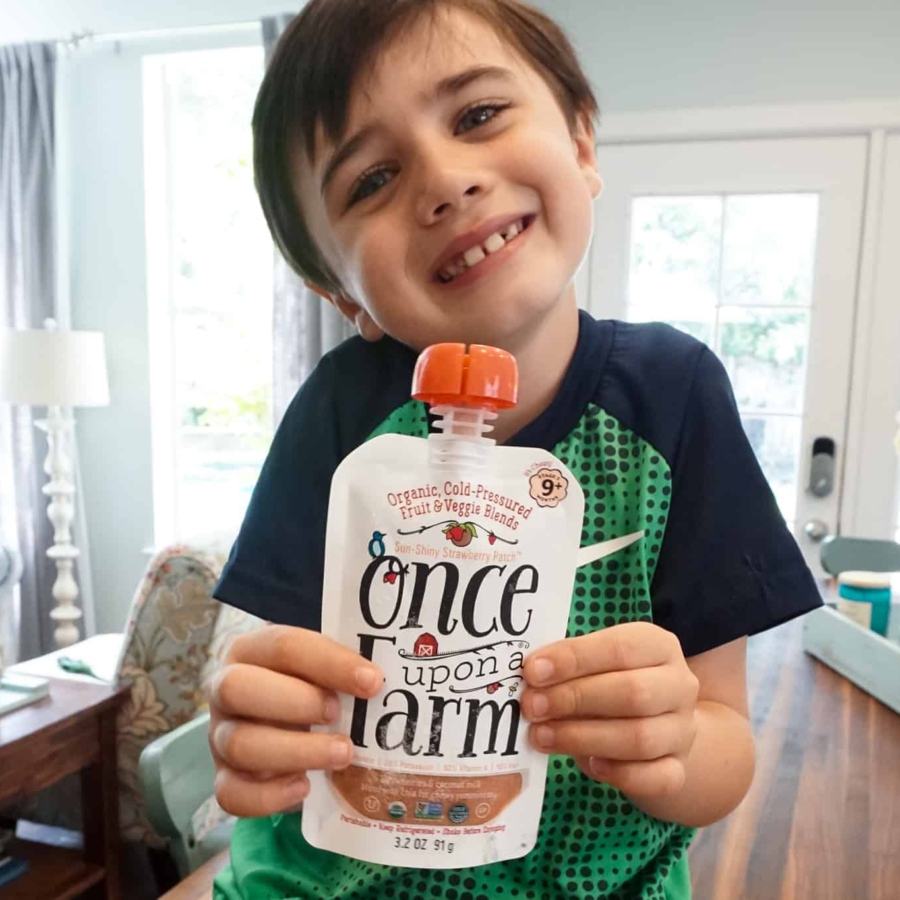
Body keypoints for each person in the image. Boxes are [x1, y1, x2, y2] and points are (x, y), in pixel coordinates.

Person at [209, 2, 822, 898]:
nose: (446, 182)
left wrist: (679, 743)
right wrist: (248, 733)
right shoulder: (342, 422)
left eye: (477, 115)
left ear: (581, 140)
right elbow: (274, 690)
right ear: (340, 294)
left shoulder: (673, 397)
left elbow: (726, 747)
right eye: (373, 178)